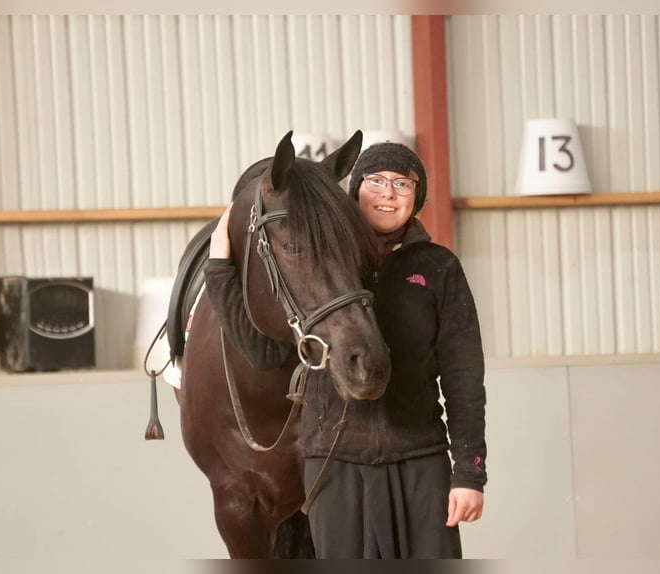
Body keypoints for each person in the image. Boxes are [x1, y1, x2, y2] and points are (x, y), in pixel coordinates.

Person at [203, 141, 487, 558]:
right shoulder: (323, 264)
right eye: (375, 180)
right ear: (354, 191)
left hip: (419, 458)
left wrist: (469, 474)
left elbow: (464, 377)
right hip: (335, 462)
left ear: (417, 197)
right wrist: (220, 271)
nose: (388, 192)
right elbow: (265, 355)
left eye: (402, 183)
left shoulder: (438, 267)